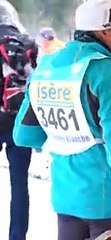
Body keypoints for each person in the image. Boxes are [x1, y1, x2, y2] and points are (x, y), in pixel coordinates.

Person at [13, 0, 111, 239]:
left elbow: (24, 135)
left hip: (65, 198)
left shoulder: (45, 67)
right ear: (104, 32)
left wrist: (66, 135)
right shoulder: (107, 72)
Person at [0, 1, 38, 239]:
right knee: (19, 186)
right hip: (19, 122)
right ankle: (17, 236)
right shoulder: (28, 42)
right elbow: (36, 82)